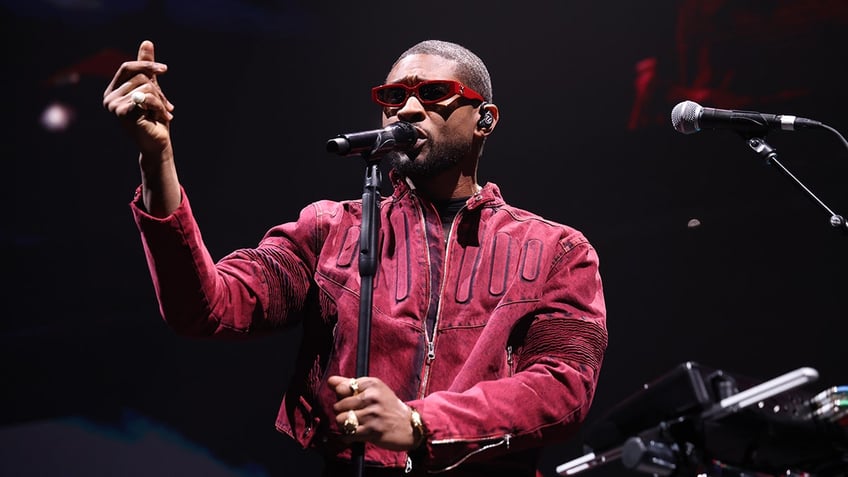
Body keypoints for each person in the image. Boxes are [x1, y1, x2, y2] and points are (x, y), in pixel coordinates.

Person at [103, 38, 608, 477]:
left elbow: (563, 389)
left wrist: (419, 424)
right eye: (393, 97)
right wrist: (157, 158)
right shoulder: (330, 230)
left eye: (433, 94)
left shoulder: (557, 250)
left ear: (485, 120)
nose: (408, 109)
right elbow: (207, 307)